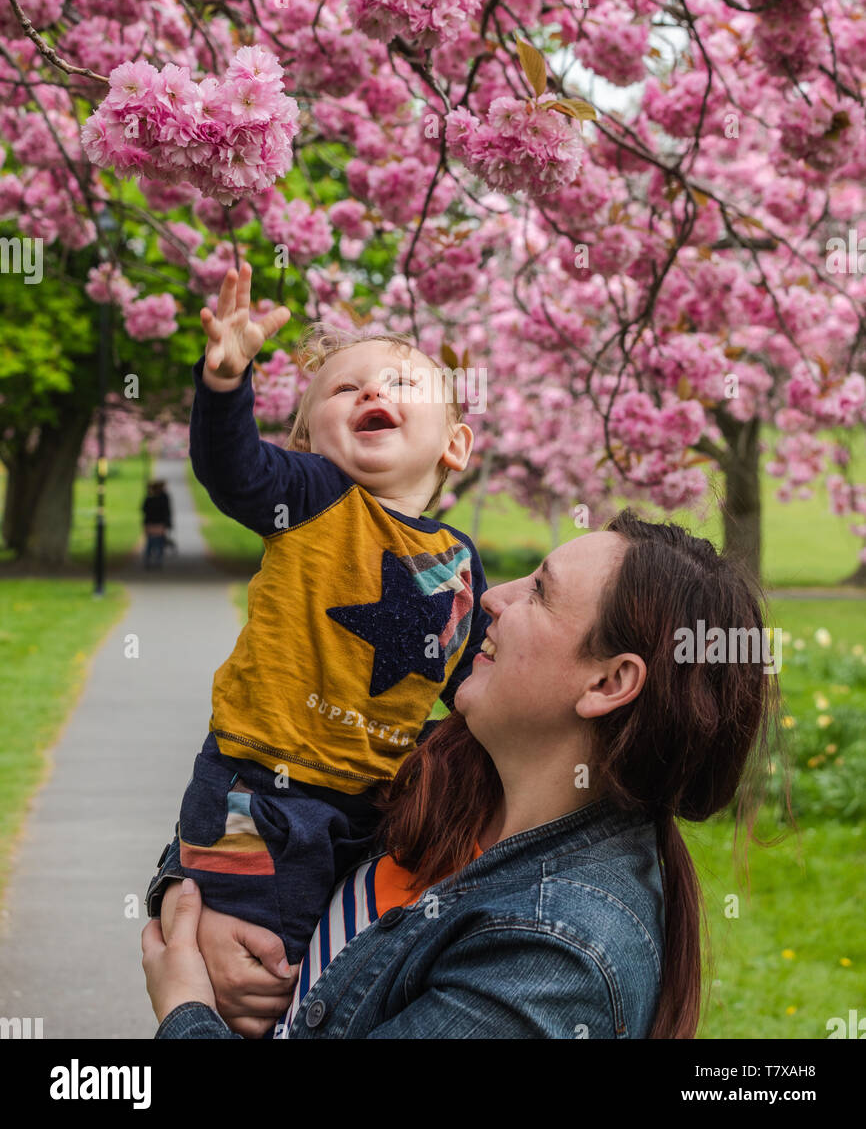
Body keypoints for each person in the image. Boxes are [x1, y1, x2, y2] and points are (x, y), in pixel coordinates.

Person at [143, 511, 781, 1039]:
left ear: (609, 682)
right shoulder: (440, 767)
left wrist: (185, 1009)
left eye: (539, 592)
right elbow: (266, 779)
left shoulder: (551, 957)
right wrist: (197, 900)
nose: (491, 597)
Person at [169, 261, 489, 970]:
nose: (373, 390)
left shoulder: (458, 561)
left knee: (345, 968)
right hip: (258, 794)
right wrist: (225, 381)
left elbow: (481, 682)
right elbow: (234, 470)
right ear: (308, 443)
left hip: (378, 805)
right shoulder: (314, 496)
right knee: (259, 966)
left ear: (455, 445)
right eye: (345, 389)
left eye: (403, 384)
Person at [141, 479, 173, 569]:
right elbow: (167, 512)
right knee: (159, 543)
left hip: (150, 524)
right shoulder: (163, 499)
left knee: (150, 543)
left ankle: (148, 560)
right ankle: (158, 561)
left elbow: (143, 509)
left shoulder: (148, 499)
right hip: (159, 524)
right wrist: (168, 523)